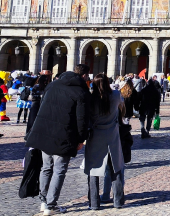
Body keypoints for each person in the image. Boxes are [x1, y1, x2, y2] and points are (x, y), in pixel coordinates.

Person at [25, 63, 91, 216]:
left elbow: (42, 107)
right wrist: (81, 139)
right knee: (59, 171)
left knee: (46, 167)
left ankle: (43, 202)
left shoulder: (53, 85)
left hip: (45, 133)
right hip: (64, 135)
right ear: (84, 76)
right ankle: (50, 205)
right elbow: (82, 119)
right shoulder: (81, 91)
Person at [84, 74, 125, 210]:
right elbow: (122, 108)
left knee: (93, 169)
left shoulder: (90, 98)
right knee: (116, 167)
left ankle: (94, 203)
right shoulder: (115, 94)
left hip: (95, 134)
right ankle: (118, 201)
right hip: (112, 134)